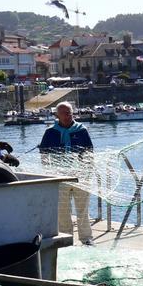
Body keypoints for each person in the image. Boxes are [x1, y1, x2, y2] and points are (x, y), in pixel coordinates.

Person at [39, 102, 94, 245]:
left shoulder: (81, 130)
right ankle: (67, 239)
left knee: (83, 209)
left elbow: (89, 152)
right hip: (59, 177)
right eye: (64, 113)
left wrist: (87, 171)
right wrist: (49, 173)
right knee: (62, 211)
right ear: (57, 115)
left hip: (80, 177)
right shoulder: (50, 132)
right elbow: (44, 154)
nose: (67, 115)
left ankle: (86, 239)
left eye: (69, 112)